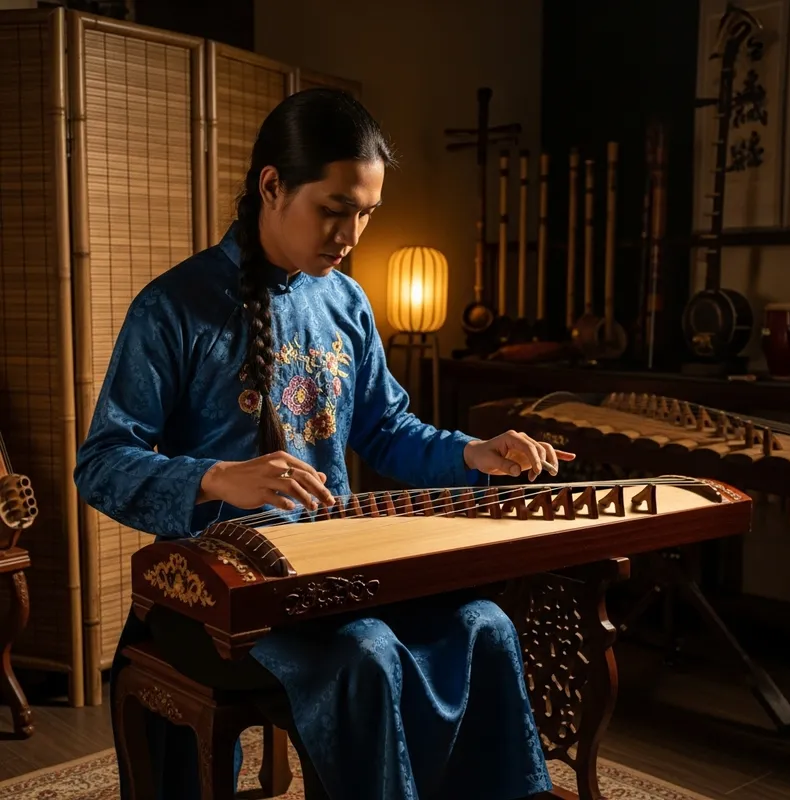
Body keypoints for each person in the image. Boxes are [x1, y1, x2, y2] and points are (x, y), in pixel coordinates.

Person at [74, 87, 575, 800]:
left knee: (484, 623)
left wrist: (473, 452)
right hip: (220, 593)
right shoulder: (173, 308)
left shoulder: (345, 301)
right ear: (272, 185)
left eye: (365, 214)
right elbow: (100, 465)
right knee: (366, 653)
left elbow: (386, 428)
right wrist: (218, 479)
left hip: (334, 569)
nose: (349, 235)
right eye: (334, 210)